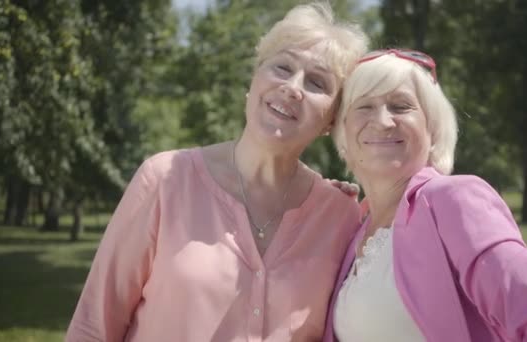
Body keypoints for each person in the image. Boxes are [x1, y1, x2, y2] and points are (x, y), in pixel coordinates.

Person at [65, 3, 368, 341]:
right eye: (282, 67)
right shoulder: (165, 179)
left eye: (316, 82)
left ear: (331, 120)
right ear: (253, 83)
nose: (293, 87)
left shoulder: (341, 215)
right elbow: (94, 326)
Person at [324, 49, 527, 341]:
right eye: (364, 107)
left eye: (400, 106)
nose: (382, 121)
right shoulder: (353, 232)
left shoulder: (450, 200)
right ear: (344, 132)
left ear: (432, 127)